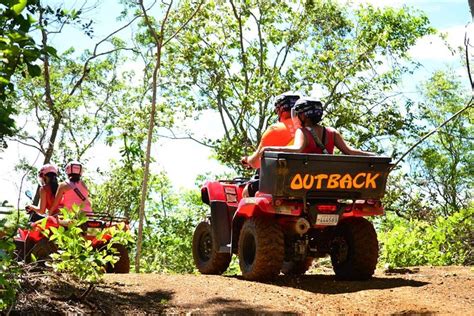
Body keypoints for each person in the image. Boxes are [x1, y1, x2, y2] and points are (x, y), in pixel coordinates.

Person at [260, 97, 375, 156]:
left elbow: (296, 149)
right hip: (328, 182)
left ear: (304, 116)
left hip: (305, 182)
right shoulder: (332, 132)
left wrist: (269, 148)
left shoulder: (303, 132)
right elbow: (350, 152)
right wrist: (372, 155)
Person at [241, 92, 301, 197]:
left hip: (281, 184)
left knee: (246, 191)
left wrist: (248, 160)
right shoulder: (310, 130)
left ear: (280, 110)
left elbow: (255, 163)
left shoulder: (276, 129)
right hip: (307, 182)